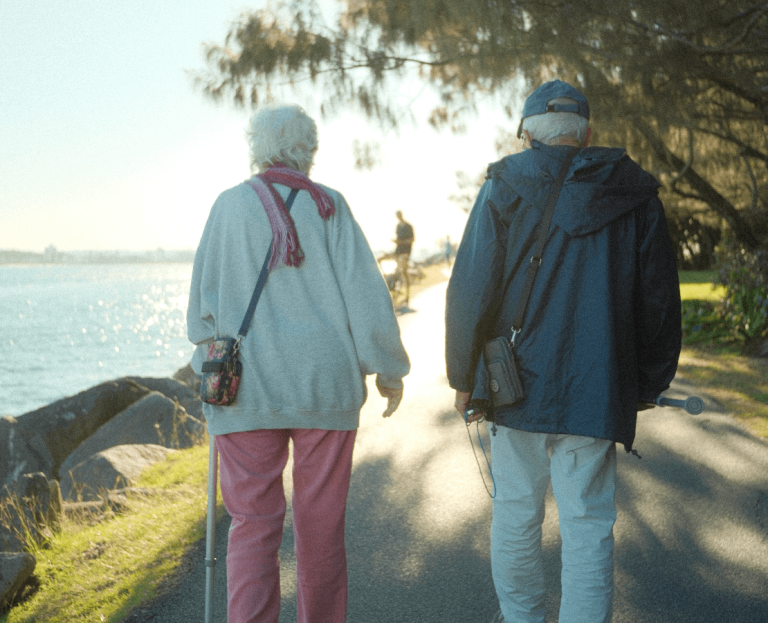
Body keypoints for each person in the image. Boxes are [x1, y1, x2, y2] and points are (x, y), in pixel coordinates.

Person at [445, 80, 681, 623]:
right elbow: (660, 300)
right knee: (589, 524)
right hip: (596, 385)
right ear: (588, 135)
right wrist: (647, 382)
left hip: (514, 384)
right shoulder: (635, 193)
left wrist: (463, 376)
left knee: (516, 515)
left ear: (526, 133)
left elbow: (470, 289)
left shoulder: (503, 185)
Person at [187, 104, 410, 623]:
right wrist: (389, 368)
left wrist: (207, 352)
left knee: (252, 525)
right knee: (321, 530)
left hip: (246, 391)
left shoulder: (227, 206)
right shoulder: (329, 206)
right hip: (324, 387)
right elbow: (367, 297)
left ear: (256, 149)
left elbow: (202, 303)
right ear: (308, 150)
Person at [393, 210, 415, 305]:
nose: (398, 217)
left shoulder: (408, 226)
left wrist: (401, 242)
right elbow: (398, 238)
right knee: (399, 273)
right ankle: (397, 296)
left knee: (403, 272)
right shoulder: (398, 226)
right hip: (398, 251)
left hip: (405, 252)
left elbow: (412, 239)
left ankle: (406, 296)